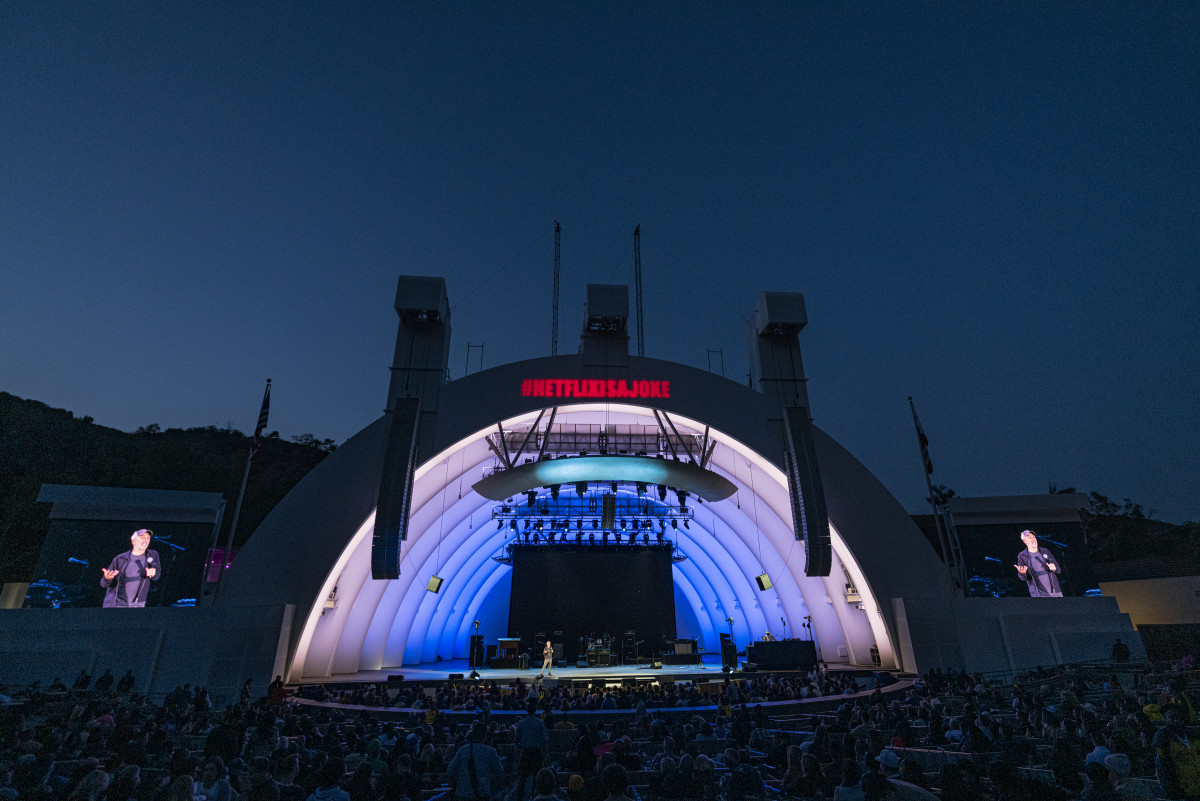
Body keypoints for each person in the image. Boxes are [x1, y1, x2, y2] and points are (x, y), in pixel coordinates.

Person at [101, 529, 161, 608]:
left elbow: (157, 576)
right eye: (142, 537)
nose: (145, 540)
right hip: (116, 604)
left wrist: (154, 573)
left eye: (148, 538)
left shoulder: (153, 555)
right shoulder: (120, 558)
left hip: (138, 604)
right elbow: (103, 584)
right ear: (133, 541)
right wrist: (107, 578)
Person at [445, 722, 503, 801]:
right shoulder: (491, 752)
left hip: (462, 793)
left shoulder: (462, 750)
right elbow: (499, 773)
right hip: (482, 793)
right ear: (485, 735)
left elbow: (450, 771)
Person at [1014, 530, 1063, 597]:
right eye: (1029, 537)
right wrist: (1022, 573)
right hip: (1039, 594)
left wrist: (1054, 568)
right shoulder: (1022, 556)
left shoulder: (1045, 551)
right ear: (1024, 541)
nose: (1033, 539)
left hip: (1055, 592)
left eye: (1034, 537)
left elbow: (1058, 570)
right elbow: (1023, 578)